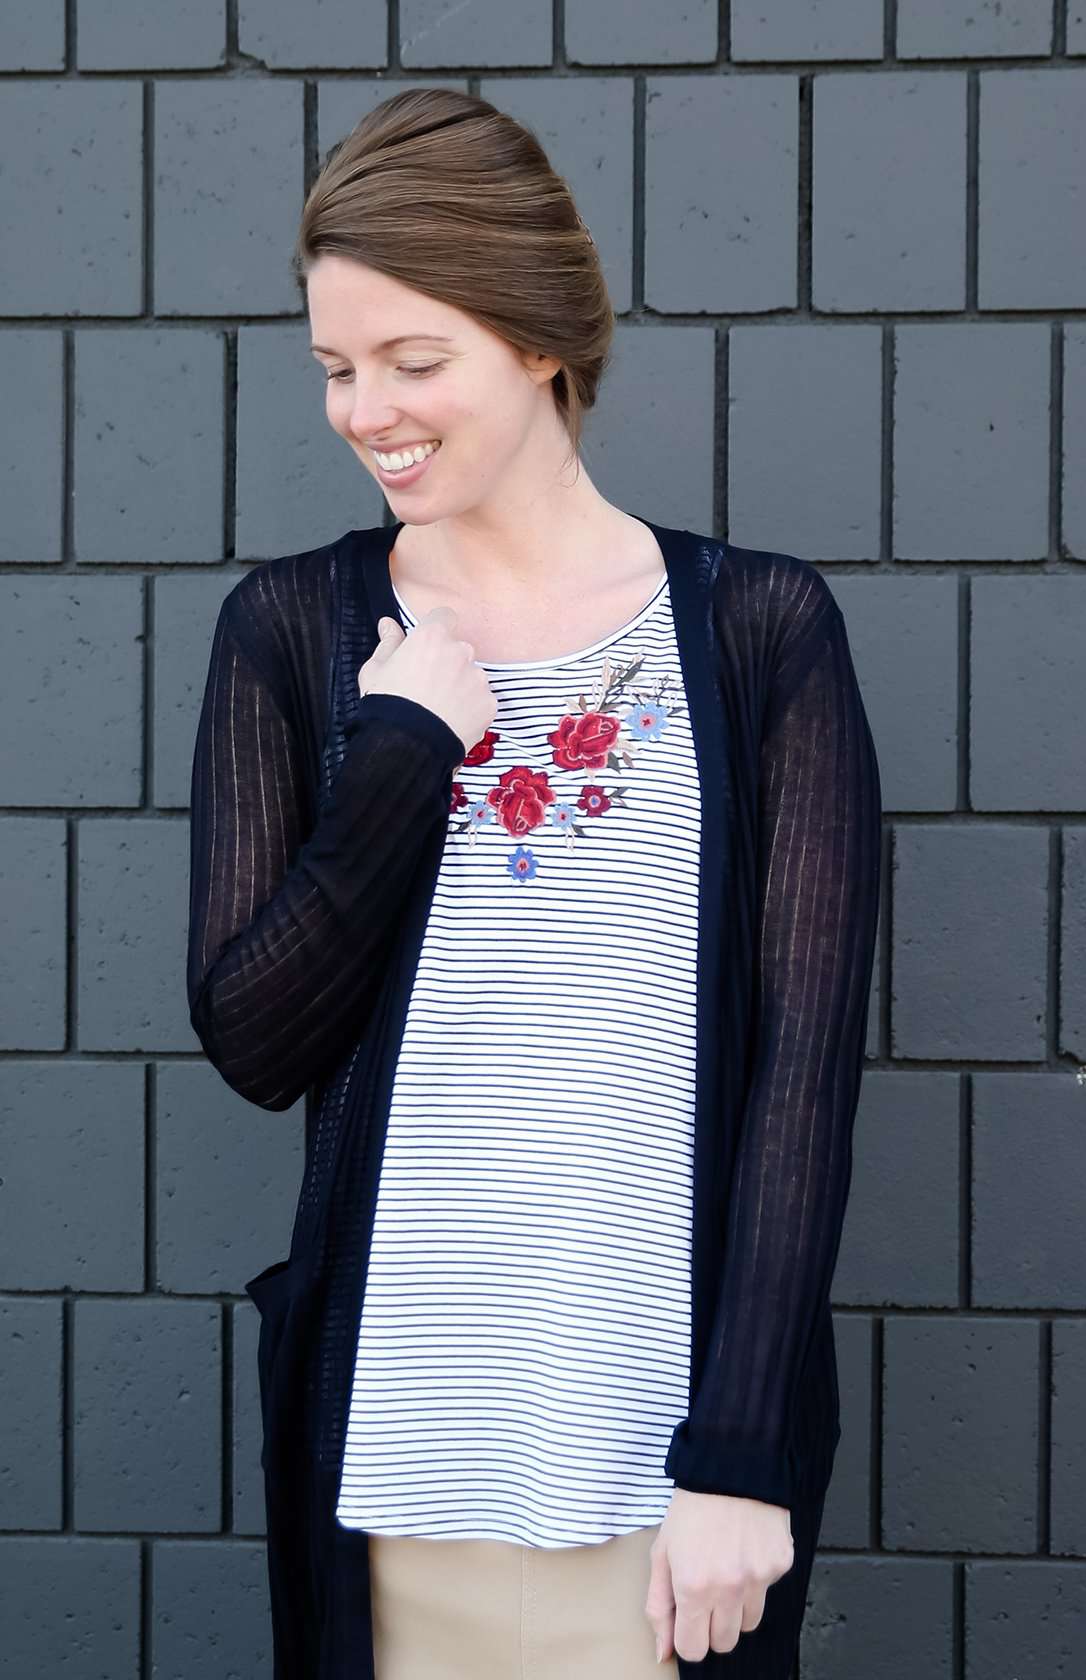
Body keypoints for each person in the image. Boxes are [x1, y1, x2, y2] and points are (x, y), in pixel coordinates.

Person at [187, 86, 881, 1680]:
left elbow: (803, 1069)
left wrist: (748, 1452)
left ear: (541, 341)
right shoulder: (296, 633)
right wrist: (404, 748)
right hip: (393, 1450)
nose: (368, 410)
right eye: (336, 369)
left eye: (413, 360)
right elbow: (254, 1037)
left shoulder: (755, 631)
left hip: (667, 1464)